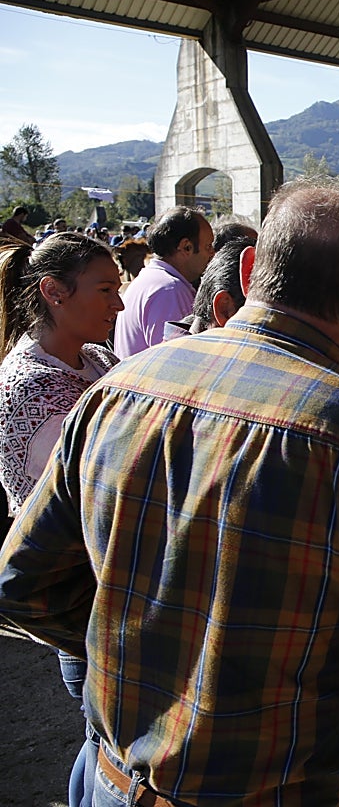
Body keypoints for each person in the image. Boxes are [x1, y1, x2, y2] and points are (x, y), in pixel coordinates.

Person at [0, 178, 339, 807]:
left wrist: (139, 641)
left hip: (112, 782)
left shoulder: (115, 390)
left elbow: (21, 583)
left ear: (248, 269)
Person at [0, 231, 124, 807]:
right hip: (79, 586)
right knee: (106, 738)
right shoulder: (33, 388)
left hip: (104, 580)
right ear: (53, 291)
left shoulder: (94, 357)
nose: (118, 305)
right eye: (105, 290)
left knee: (102, 735)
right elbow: (91, 503)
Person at [113, 206, 214, 357]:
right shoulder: (169, 290)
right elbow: (175, 361)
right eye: (208, 246)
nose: (212, 253)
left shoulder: (152, 280)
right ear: (186, 247)